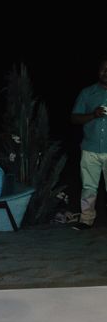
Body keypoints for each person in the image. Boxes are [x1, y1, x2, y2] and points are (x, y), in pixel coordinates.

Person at [70, 57, 107, 230]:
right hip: (90, 148)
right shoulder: (87, 92)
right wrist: (93, 114)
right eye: (103, 69)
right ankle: (86, 219)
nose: (106, 72)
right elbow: (74, 117)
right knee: (88, 187)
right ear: (98, 71)